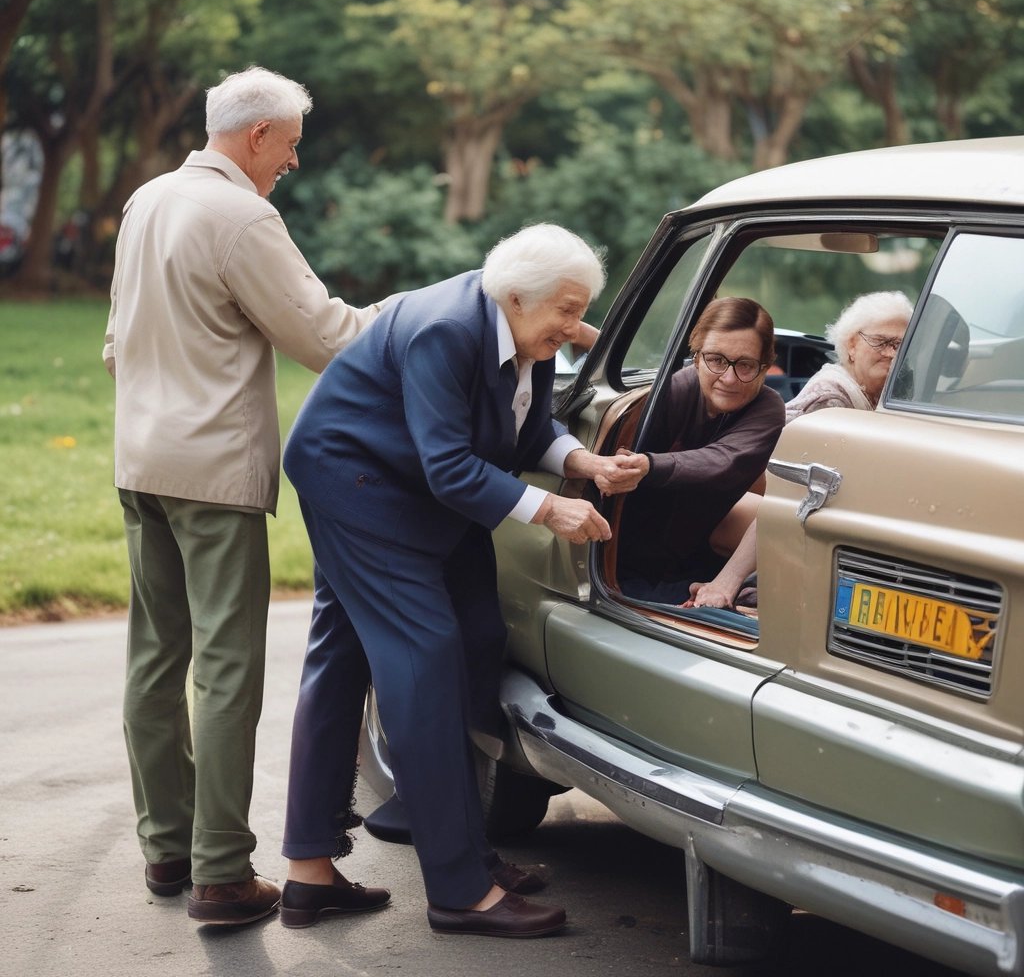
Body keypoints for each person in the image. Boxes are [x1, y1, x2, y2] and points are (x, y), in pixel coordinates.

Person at [279, 223, 644, 938]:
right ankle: (459, 889)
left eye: (581, 310)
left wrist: (588, 466)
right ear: (513, 295)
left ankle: (311, 874)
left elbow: (528, 430)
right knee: (428, 653)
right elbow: (449, 467)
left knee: (426, 641)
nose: (578, 329)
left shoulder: (525, 333)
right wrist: (549, 510)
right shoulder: (445, 330)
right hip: (359, 483)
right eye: (567, 312)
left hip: (414, 488)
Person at [102, 66, 397, 926]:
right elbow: (327, 336)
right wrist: (417, 313)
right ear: (259, 134)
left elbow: (116, 342)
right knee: (228, 668)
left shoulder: (147, 200)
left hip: (139, 459)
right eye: (292, 146)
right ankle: (223, 874)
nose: (293, 164)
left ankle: (168, 849)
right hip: (213, 474)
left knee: (155, 660)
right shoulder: (241, 214)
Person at [689, 290, 914, 609]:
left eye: (903, 345)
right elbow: (791, 495)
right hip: (761, 512)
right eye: (883, 342)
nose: (893, 353)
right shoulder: (828, 402)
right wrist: (726, 583)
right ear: (851, 344)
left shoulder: (883, 400)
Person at [613, 297, 786, 605]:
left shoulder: (767, 407)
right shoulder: (674, 392)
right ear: (695, 358)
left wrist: (649, 466)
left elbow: (724, 461)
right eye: (717, 360)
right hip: (621, 562)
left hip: (694, 556)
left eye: (745, 365)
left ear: (764, 367)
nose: (730, 378)